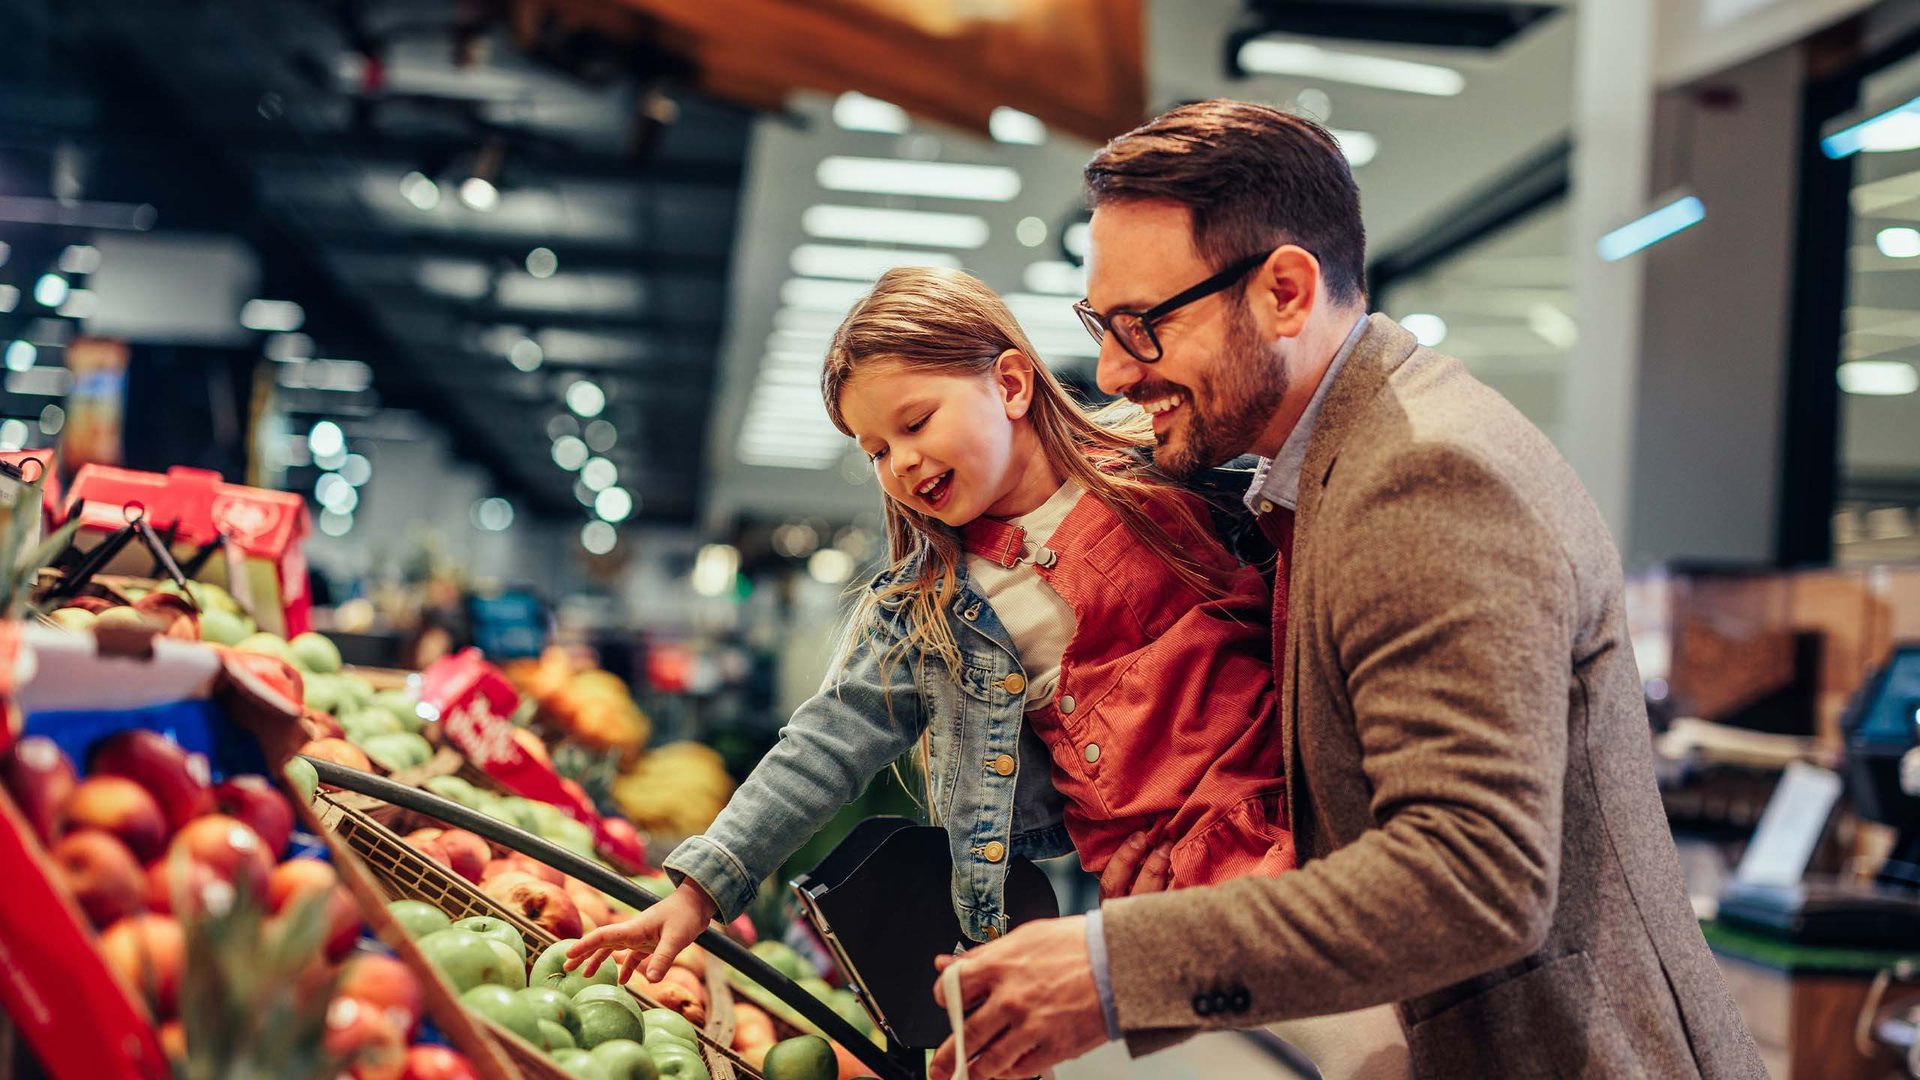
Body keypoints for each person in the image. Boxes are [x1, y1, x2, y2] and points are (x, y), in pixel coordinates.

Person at [923, 100, 1766, 1080]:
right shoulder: (1330, 469)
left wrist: (1112, 971)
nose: (1114, 372)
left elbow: (1473, 878)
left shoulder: (1422, 476)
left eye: (1143, 327)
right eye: (1099, 328)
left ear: (1284, 290)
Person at [566, 266, 1403, 1077]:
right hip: (1184, 879)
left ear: (1010, 383)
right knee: (1373, 1050)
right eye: (875, 449)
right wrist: (700, 888)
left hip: (1323, 811)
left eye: (916, 420)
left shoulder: (1167, 475)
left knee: (1412, 1028)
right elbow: (822, 745)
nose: (899, 461)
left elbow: (1316, 563)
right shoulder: (926, 609)